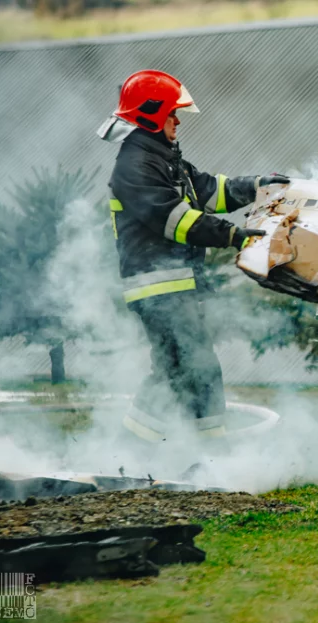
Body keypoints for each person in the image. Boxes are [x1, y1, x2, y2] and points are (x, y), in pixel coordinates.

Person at [96, 69, 289, 443]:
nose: (178, 121)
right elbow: (173, 219)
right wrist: (230, 234)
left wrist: (257, 186)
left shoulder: (164, 159)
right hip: (157, 288)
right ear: (152, 116)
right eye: (172, 113)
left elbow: (210, 191)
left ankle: (141, 449)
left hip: (173, 286)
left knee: (176, 369)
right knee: (194, 366)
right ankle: (203, 450)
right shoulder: (135, 166)